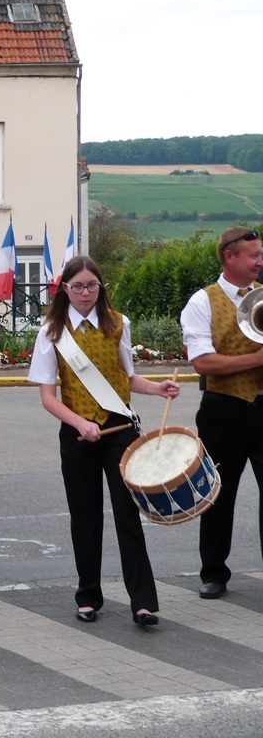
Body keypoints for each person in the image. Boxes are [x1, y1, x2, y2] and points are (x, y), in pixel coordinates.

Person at [29, 255, 178, 626]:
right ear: (64, 289)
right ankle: (88, 597)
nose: (84, 293)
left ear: (101, 287)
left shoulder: (118, 323)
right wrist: (79, 423)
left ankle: (143, 602)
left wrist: (156, 388)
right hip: (77, 432)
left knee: (128, 515)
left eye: (91, 286)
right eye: (77, 286)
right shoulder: (51, 332)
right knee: (85, 517)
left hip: (119, 429)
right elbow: (48, 397)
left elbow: (128, 379)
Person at [180, 226, 263, 600]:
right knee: (217, 495)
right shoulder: (202, 302)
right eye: (254, 256)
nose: (260, 261)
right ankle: (214, 572)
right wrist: (257, 359)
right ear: (230, 257)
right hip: (222, 409)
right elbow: (202, 362)